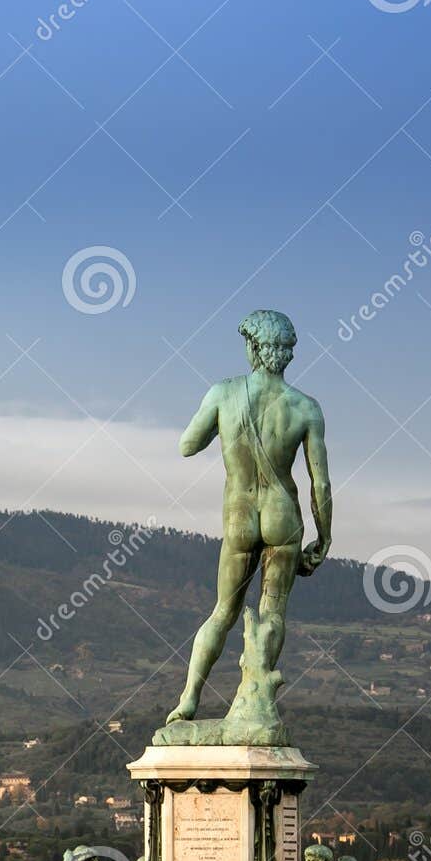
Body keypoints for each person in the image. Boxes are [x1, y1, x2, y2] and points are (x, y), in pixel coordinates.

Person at [167, 310, 332, 725]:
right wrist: (324, 537)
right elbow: (321, 485)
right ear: (286, 354)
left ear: (253, 349)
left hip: (239, 515)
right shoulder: (306, 408)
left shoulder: (223, 393)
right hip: (283, 515)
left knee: (223, 612)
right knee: (272, 611)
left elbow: (188, 445)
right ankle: (256, 700)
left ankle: (189, 699)